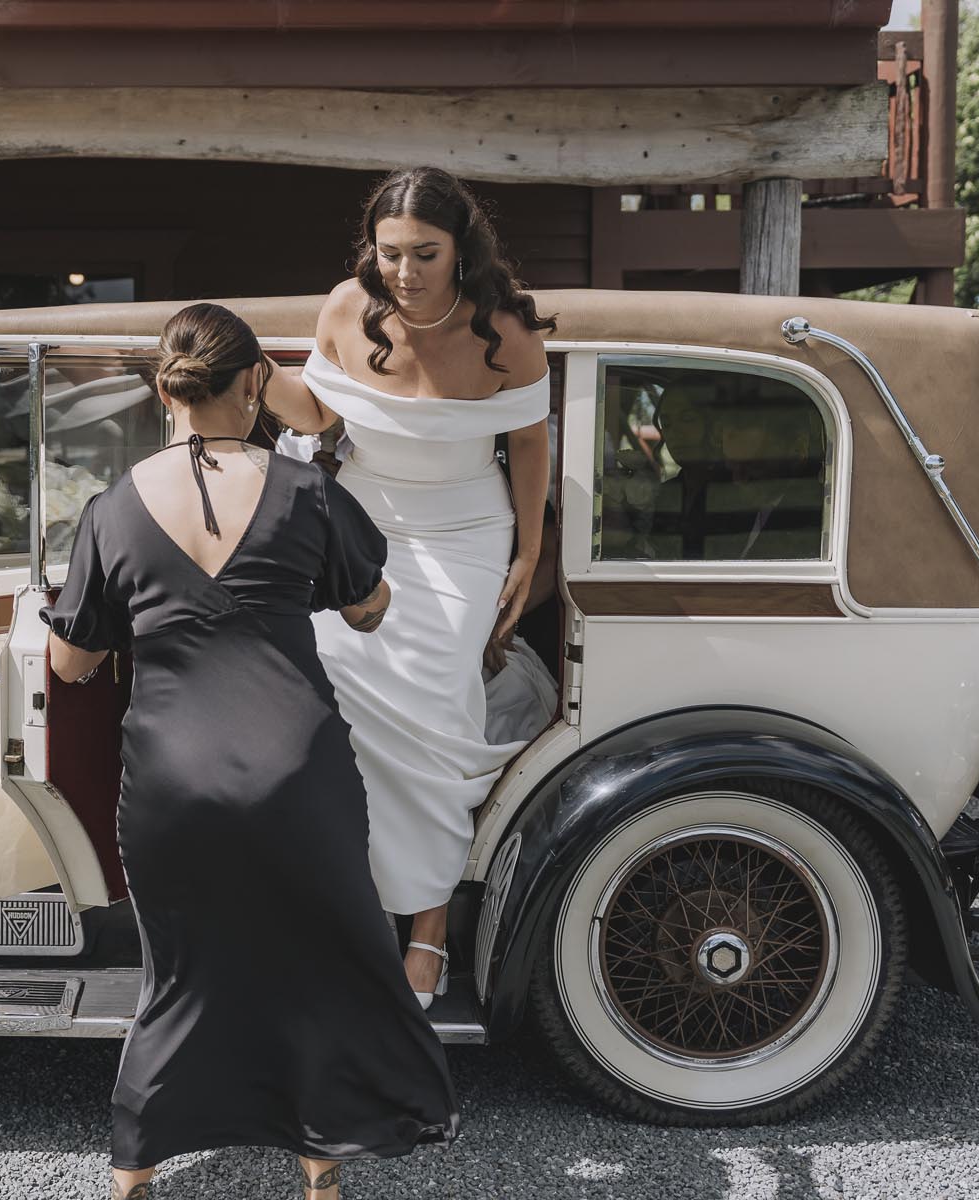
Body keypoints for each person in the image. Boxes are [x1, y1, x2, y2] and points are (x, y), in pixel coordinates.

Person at [44, 303, 458, 1200]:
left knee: (179, 977)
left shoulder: (112, 510)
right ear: (256, 383)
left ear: (165, 391)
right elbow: (370, 607)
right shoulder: (307, 493)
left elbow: (71, 664)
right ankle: (319, 1171)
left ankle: (133, 1173)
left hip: (173, 781)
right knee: (309, 966)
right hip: (298, 775)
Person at [258, 166, 556, 1008]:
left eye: (425, 253)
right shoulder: (345, 309)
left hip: (466, 529)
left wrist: (528, 553)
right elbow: (316, 416)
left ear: (462, 248)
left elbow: (528, 445)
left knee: (435, 697)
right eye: (390, 253)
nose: (405, 271)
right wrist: (246, 363)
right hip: (361, 519)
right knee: (327, 687)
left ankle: (429, 927)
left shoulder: (507, 330)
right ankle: (342, 907)